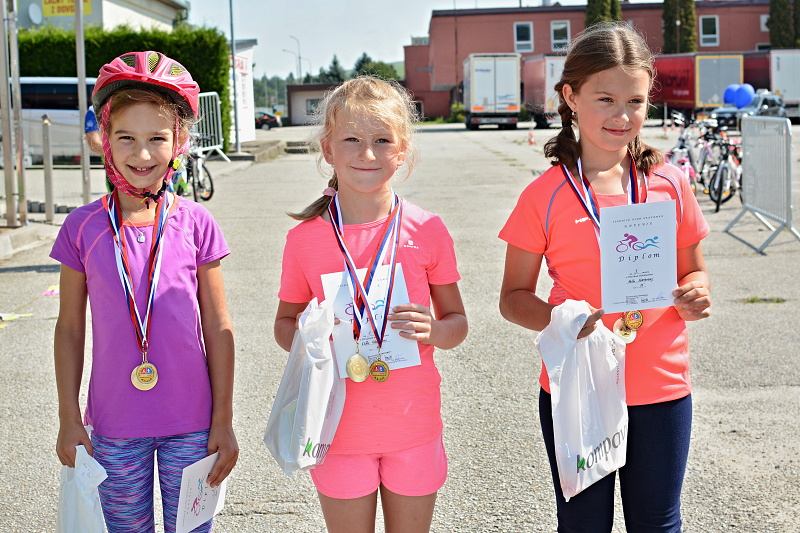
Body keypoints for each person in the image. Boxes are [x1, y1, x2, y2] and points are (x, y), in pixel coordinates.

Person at [498, 23, 711, 532]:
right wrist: (563, 320)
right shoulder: (544, 195)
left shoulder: (669, 182)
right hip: (579, 386)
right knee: (583, 523)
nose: (622, 115)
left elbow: (694, 270)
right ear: (571, 97)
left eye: (635, 101)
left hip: (661, 387)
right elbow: (512, 297)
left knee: (658, 522)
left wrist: (697, 293)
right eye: (606, 99)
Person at [52, 51, 238, 533]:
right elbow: (69, 328)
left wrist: (223, 420)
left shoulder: (196, 223)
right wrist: (69, 417)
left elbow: (218, 326)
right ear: (104, 140)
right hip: (114, 429)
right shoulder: (82, 227)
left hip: (193, 426)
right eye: (126, 138)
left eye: (157, 138)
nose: (142, 154)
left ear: (179, 141)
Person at [274, 76, 468, 533]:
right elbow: (283, 324)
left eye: (382, 140)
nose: (367, 153)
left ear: (402, 151)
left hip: (413, 427)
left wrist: (435, 330)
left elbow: (457, 323)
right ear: (328, 149)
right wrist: (310, 337)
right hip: (337, 430)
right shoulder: (304, 240)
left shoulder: (427, 229)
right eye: (352, 140)